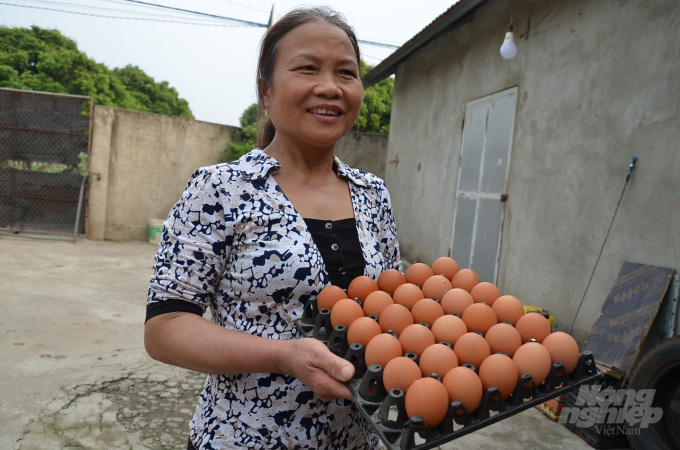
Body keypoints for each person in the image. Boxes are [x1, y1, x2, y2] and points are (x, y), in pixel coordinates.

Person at [144, 6, 401, 449]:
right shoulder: (221, 189)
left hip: (359, 441)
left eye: (346, 72)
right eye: (307, 68)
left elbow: (391, 306)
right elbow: (165, 330)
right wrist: (283, 356)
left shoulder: (372, 193)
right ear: (266, 91)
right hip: (245, 438)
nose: (330, 87)